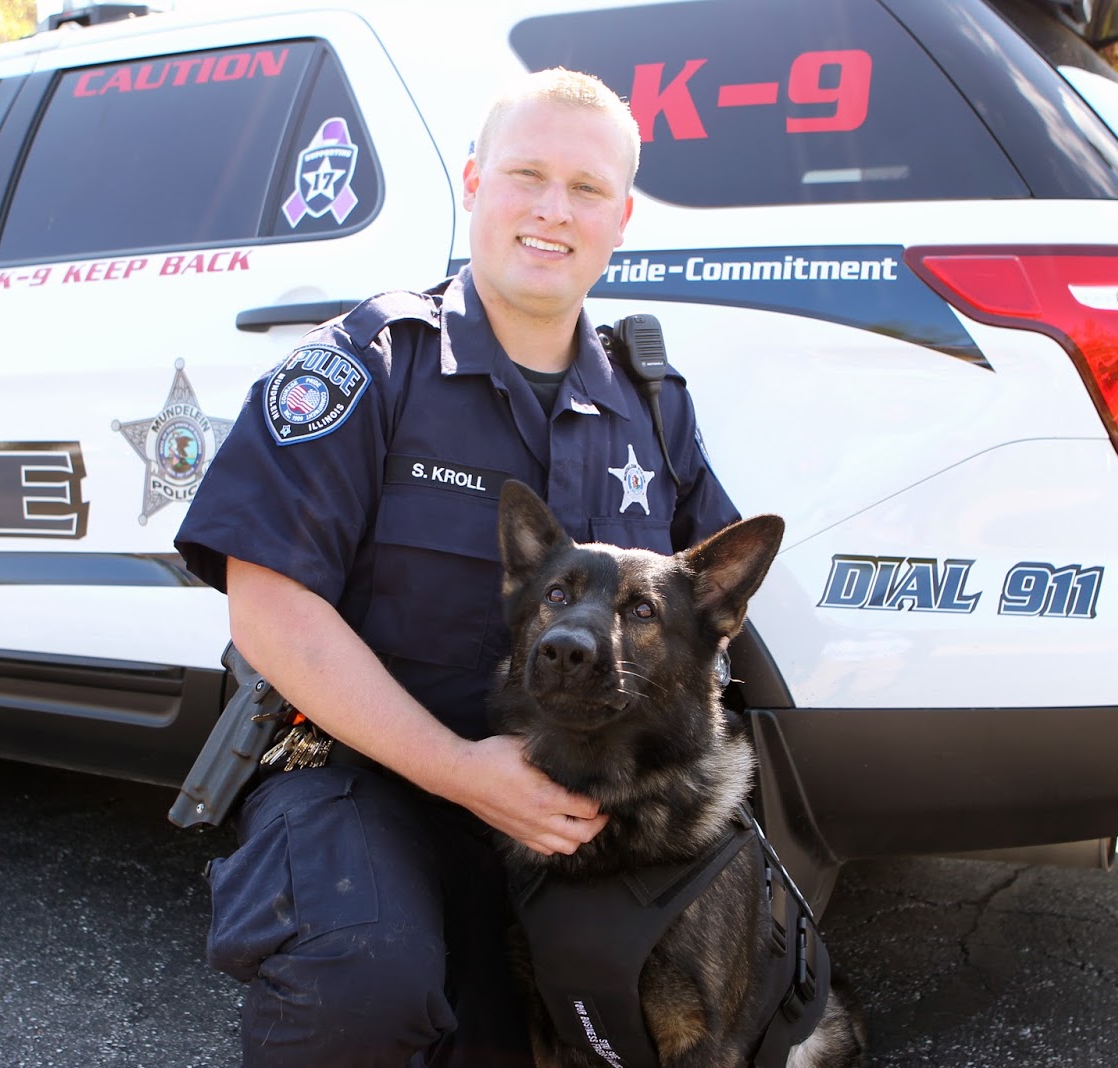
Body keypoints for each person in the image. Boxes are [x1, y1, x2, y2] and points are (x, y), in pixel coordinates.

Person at [174, 67, 740, 1067]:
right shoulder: (372, 364)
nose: (551, 210)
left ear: (623, 215)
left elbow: (713, 623)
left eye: (586, 188)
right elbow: (267, 608)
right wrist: (462, 772)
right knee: (361, 982)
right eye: (526, 174)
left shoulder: (653, 407)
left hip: (575, 808)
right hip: (372, 775)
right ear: (475, 182)